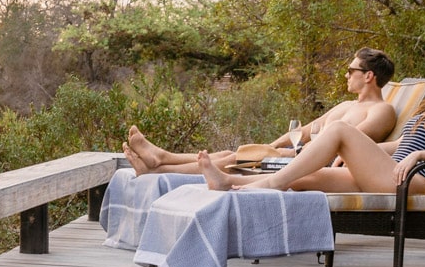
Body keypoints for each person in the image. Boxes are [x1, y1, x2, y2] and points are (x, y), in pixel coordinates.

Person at [194, 54, 425, 197]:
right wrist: (365, 151)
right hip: (390, 171)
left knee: (340, 130)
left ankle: (268, 183)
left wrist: (418, 157)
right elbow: (403, 144)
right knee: (305, 177)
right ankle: (227, 184)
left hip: (414, 182)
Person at [125, 48, 401, 175]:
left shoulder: (382, 110)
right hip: (302, 154)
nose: (345, 74)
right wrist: (269, 146)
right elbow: (303, 131)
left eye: (351, 70)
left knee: (238, 157)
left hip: (319, 164)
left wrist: (286, 151)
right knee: (237, 153)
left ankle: (159, 167)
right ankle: (161, 160)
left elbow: (348, 144)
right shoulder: (347, 106)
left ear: (368, 76)